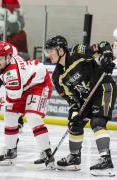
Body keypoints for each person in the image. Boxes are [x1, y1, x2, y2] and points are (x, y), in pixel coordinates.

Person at [44, 35, 117, 176]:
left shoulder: (78, 51)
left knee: (97, 122)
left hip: (104, 88)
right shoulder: (57, 76)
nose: (48, 54)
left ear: (60, 50)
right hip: (86, 98)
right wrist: (75, 112)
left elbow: (102, 44)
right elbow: (71, 99)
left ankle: (106, 160)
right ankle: (74, 158)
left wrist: (107, 56)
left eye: (51, 50)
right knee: (74, 124)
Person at [0, 41, 55, 169]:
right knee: (10, 113)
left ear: (8, 58)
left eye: (0, 59)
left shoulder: (12, 75)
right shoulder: (9, 55)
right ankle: (10, 151)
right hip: (25, 85)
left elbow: (13, 99)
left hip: (39, 83)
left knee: (32, 116)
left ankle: (47, 153)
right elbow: (11, 48)